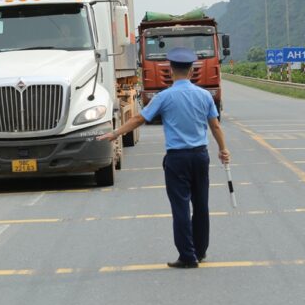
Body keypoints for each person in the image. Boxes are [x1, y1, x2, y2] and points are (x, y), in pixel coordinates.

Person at [98, 47, 230, 269]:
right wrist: (223, 149)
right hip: (200, 156)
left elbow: (139, 119)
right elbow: (215, 125)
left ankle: (187, 256)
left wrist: (115, 133)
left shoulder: (164, 97)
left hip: (177, 159)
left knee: (180, 207)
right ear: (191, 71)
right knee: (201, 204)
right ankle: (201, 250)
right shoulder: (204, 95)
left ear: (170, 71)